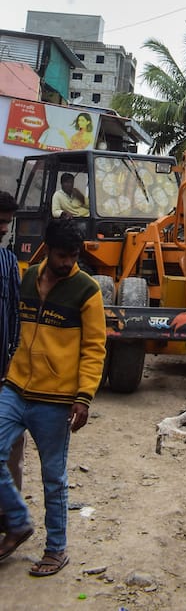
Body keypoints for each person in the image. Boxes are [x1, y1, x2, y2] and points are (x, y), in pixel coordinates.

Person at [0, 218, 106, 576]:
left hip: (55, 399)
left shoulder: (87, 289)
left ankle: (56, 550)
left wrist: (84, 396)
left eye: (73, 255)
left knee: (53, 477)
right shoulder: (26, 277)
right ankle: (17, 523)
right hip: (15, 388)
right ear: (47, 249)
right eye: (62, 255)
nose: (67, 262)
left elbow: (94, 348)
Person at [0, 191, 24, 518]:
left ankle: (9, 516)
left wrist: (13, 360)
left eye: (6, 222)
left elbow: (16, 315)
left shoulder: (8, 262)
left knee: (11, 446)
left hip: (4, 370)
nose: (2, 228)